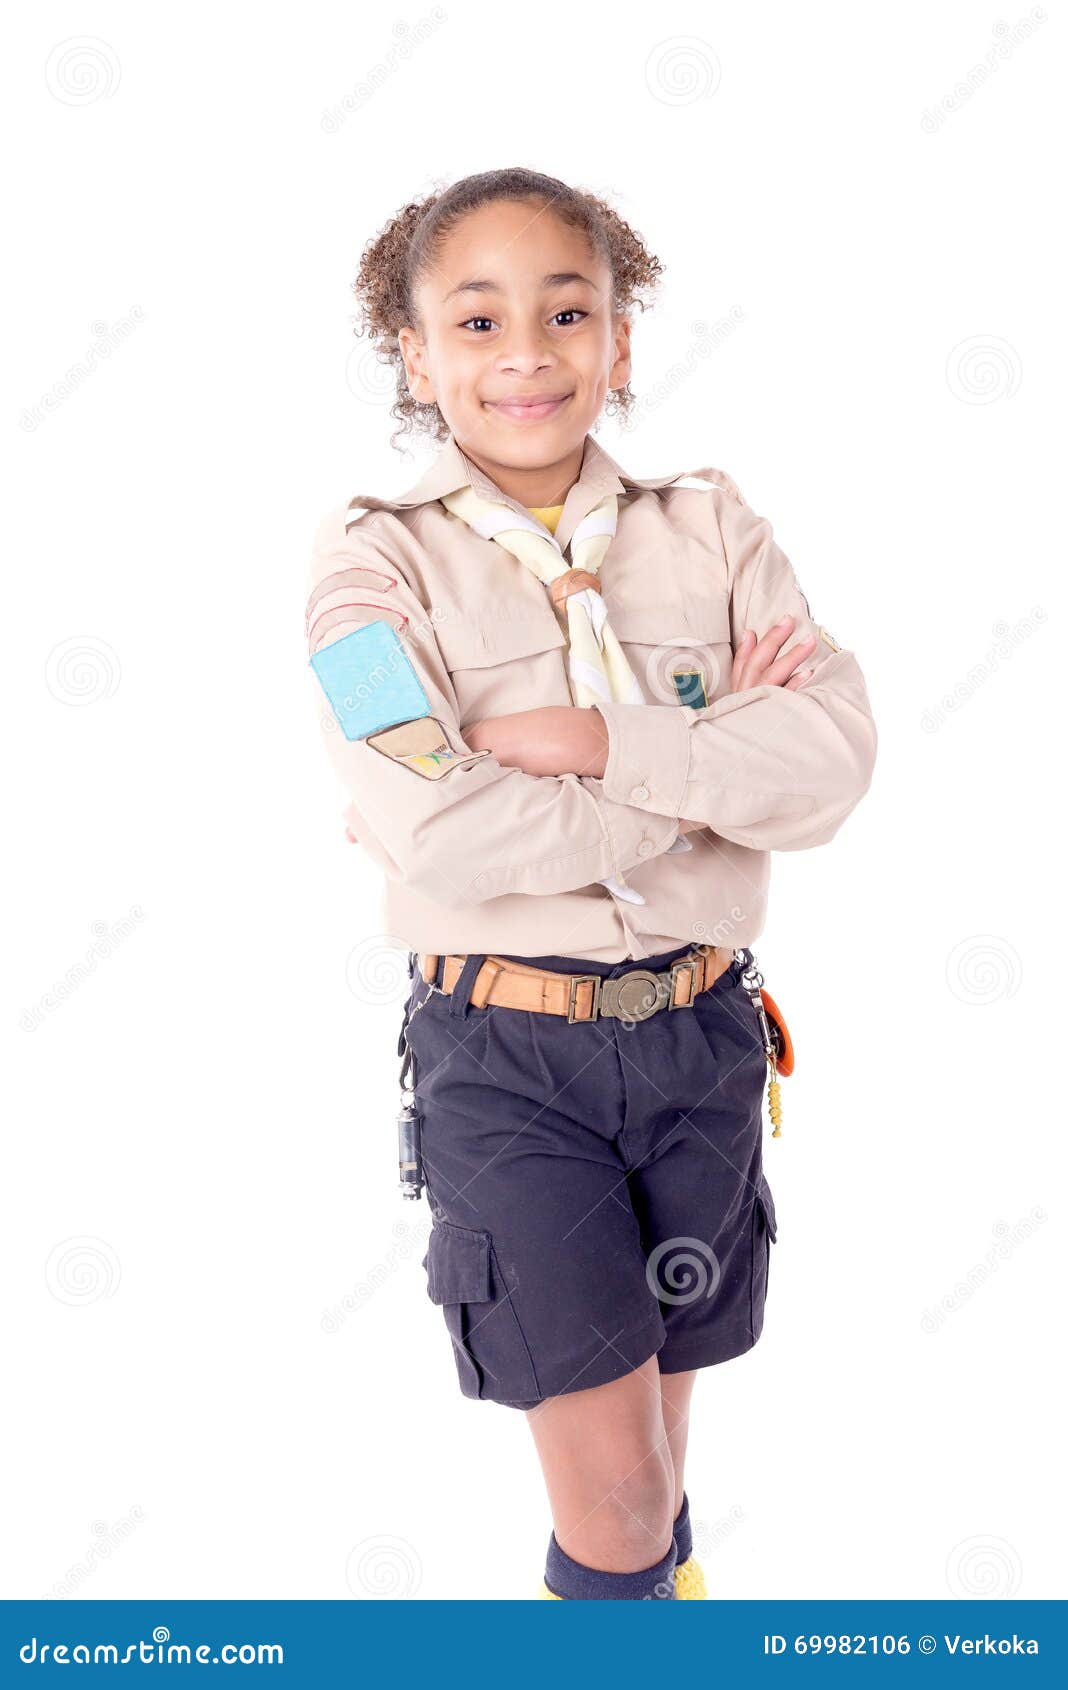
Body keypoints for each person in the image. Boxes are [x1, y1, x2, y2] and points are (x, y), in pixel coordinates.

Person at [304, 167, 877, 1600]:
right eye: (477, 319)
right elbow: (437, 832)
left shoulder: (714, 529)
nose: (527, 355)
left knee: (662, 1479)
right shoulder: (369, 572)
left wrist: (583, 743)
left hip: (701, 1038)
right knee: (617, 1504)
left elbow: (832, 764)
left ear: (620, 341)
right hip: (512, 1058)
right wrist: (701, 775)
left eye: (569, 313)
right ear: (415, 354)